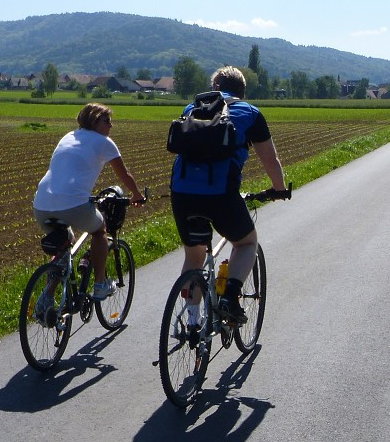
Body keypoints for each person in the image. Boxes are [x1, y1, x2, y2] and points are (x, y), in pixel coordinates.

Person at [171, 66, 288, 325]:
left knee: (194, 256)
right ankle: (229, 299)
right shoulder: (249, 113)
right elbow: (270, 159)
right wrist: (279, 189)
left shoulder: (192, 109)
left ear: (215, 87)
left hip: (181, 193)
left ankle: (192, 322)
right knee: (247, 243)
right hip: (220, 195)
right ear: (242, 91)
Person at [33, 103, 146, 304]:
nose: (111, 125)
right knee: (99, 230)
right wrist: (136, 194)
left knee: (63, 244)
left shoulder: (68, 136)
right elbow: (124, 175)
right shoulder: (104, 142)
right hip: (72, 204)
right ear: (94, 120)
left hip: (41, 204)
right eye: (107, 121)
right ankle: (101, 284)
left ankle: (47, 297)